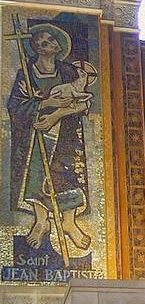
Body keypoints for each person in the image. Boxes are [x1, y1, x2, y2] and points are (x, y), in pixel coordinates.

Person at [8, 23, 92, 251]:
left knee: (66, 176)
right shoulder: (26, 74)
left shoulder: (69, 72)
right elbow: (15, 107)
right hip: (36, 137)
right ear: (35, 48)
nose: (48, 45)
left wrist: (57, 113)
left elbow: (85, 103)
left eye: (51, 40)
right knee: (37, 176)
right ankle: (41, 221)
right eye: (42, 43)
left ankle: (69, 222)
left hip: (65, 136)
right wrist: (46, 103)